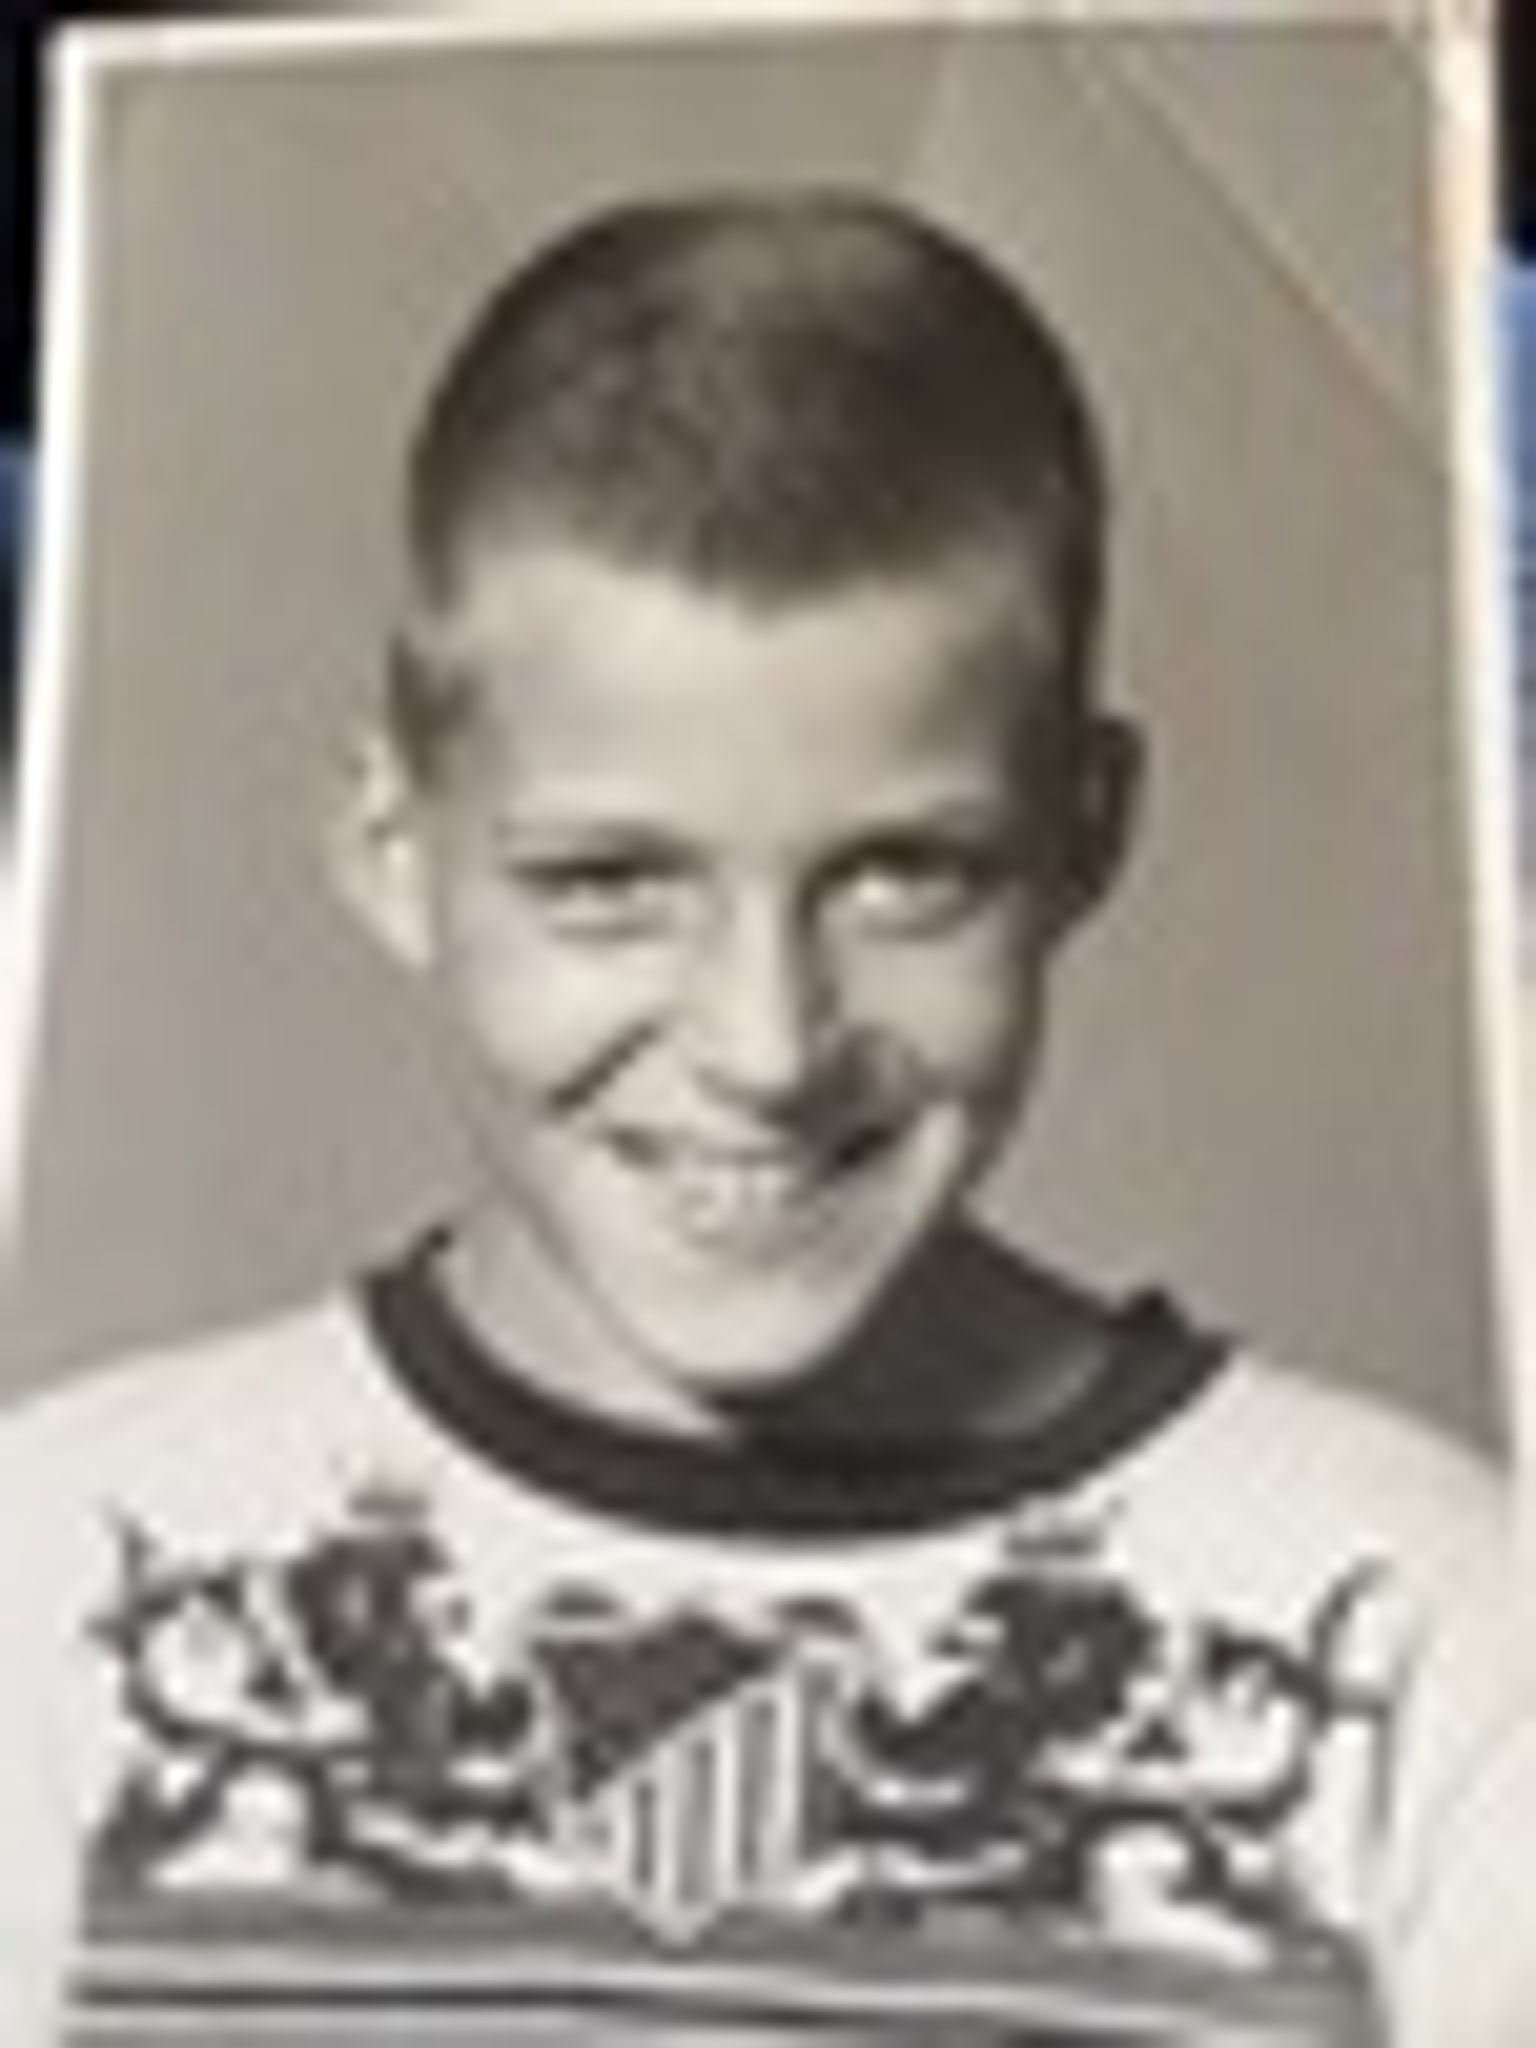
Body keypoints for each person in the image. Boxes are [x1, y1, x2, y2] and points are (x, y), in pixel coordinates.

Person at [0, 190, 1529, 2048]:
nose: (767, 1046)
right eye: (608, 884)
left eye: (904, 877)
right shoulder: (54, 1574)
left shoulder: (1432, 1631)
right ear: (395, 853)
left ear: (1088, 833)